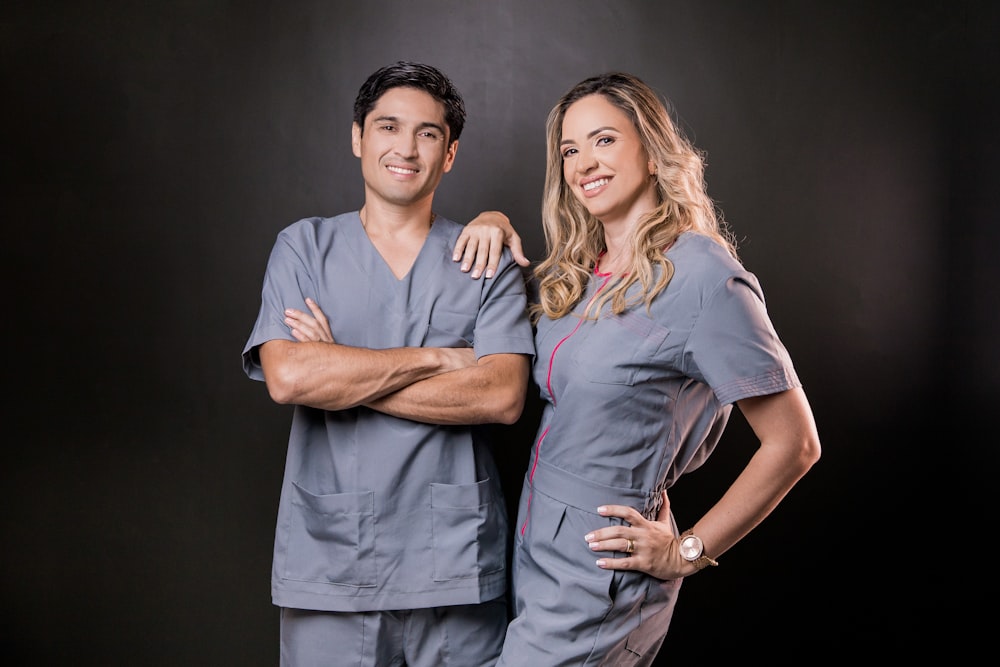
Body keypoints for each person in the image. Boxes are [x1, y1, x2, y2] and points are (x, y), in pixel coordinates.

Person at [455, 71, 822, 665]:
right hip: (531, 552)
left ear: (651, 152)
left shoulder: (706, 278)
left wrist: (686, 551)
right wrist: (493, 224)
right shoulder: (578, 272)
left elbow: (796, 443)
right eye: (570, 150)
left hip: (601, 577)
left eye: (603, 141)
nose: (582, 163)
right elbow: (497, 361)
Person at [241, 61, 534, 667]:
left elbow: (501, 396)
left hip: (452, 564)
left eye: (427, 133)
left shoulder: (486, 258)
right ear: (358, 137)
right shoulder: (304, 247)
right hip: (334, 563)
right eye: (388, 127)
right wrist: (437, 360)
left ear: (449, 153)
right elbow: (289, 377)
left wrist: (341, 373)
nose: (406, 147)